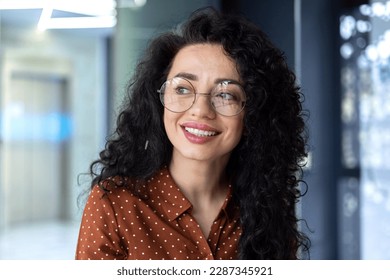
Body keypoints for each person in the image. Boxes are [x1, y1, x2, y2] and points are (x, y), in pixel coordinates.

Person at [75, 7, 310, 260]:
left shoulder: (268, 209)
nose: (200, 111)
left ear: (254, 113)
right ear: (160, 99)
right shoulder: (114, 205)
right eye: (183, 89)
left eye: (225, 94)